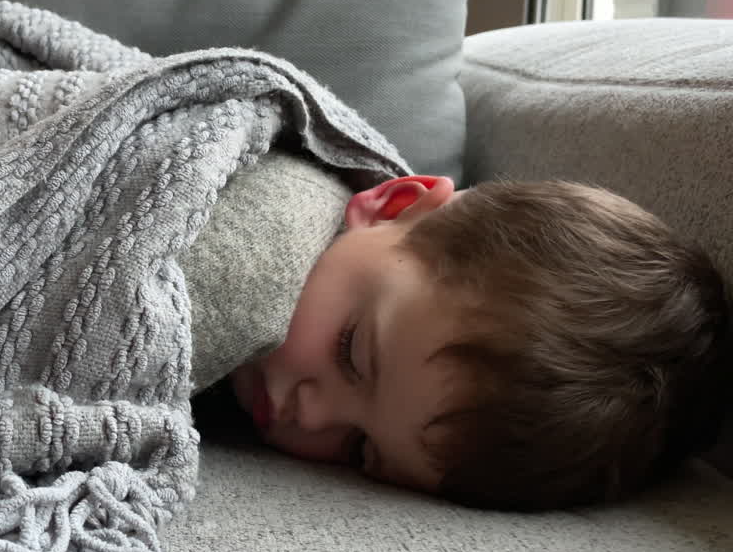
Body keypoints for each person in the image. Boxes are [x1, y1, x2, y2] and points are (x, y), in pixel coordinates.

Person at [209, 174, 732, 511]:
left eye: (359, 449)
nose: (310, 417)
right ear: (394, 205)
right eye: (351, 351)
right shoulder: (256, 219)